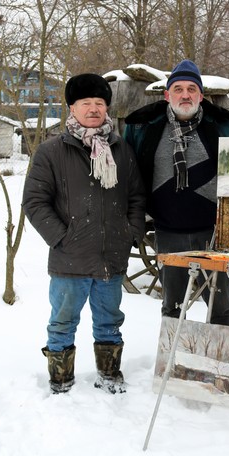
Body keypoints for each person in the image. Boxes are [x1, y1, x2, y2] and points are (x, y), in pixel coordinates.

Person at [23, 73, 146, 394]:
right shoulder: (52, 151)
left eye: (99, 103)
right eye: (86, 103)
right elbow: (35, 202)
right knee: (63, 322)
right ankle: (61, 381)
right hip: (69, 259)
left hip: (111, 257)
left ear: (106, 108)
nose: (93, 109)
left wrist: (129, 232)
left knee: (110, 322)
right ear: (72, 108)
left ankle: (109, 375)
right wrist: (62, 238)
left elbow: (135, 197)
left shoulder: (121, 150)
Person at [124, 59, 229, 327]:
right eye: (178, 89)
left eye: (192, 89)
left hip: (214, 233)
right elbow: (128, 177)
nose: (185, 95)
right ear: (167, 95)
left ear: (201, 96)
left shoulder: (227, 126)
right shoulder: (142, 127)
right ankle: (175, 363)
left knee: (221, 306)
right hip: (168, 231)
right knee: (172, 307)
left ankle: (222, 363)